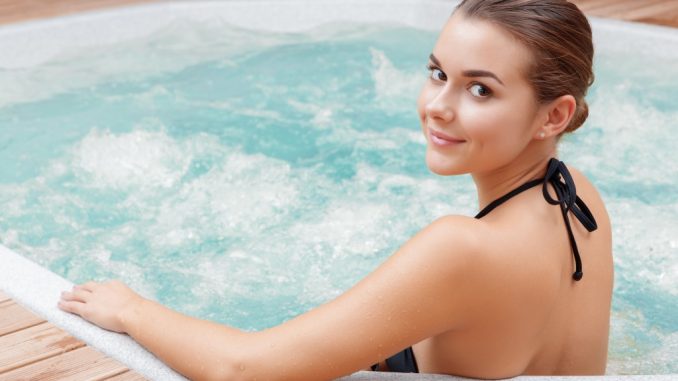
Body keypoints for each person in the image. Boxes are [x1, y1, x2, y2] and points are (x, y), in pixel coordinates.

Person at [58, 0, 613, 379]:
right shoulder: (579, 199)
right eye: (438, 73)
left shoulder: (463, 249)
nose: (438, 106)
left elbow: (243, 369)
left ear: (554, 116)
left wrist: (131, 309)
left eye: (481, 90)